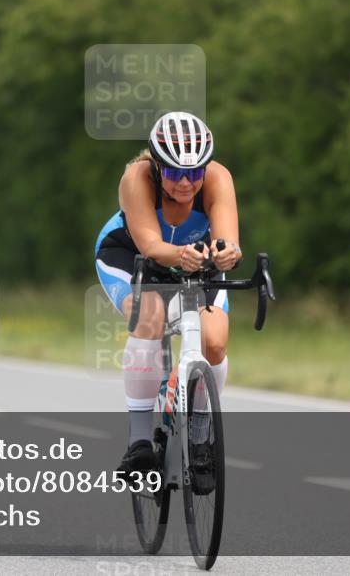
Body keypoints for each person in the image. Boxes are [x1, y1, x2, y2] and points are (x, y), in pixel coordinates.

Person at [94, 112, 242, 475]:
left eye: (195, 172)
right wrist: (181, 256)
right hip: (131, 256)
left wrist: (228, 252)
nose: (186, 182)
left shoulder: (218, 178)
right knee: (150, 316)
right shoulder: (137, 178)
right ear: (158, 167)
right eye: (175, 173)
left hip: (196, 258)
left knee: (215, 341)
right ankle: (139, 442)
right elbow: (151, 246)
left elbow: (228, 240)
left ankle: (200, 436)